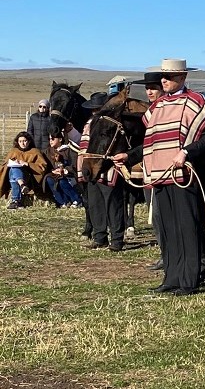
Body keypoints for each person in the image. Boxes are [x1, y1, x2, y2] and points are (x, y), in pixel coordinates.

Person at [113, 59, 205, 296]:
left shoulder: (197, 103)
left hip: (185, 176)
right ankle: (171, 278)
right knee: (168, 229)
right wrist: (129, 157)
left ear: (182, 78)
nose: (164, 81)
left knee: (188, 228)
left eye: (169, 77)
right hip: (159, 176)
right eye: (163, 77)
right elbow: (152, 143)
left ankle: (190, 280)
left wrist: (187, 152)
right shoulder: (156, 107)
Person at [79, 92, 126, 251]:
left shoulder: (109, 123)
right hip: (90, 166)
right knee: (95, 202)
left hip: (108, 166)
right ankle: (100, 236)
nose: (94, 112)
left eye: (97, 109)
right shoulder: (90, 124)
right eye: (93, 110)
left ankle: (117, 239)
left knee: (113, 203)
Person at [131, 72, 165, 271]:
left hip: (163, 169)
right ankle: (164, 252)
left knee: (162, 214)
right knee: (155, 215)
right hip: (149, 168)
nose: (150, 92)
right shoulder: (150, 112)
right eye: (147, 88)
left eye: (153, 88)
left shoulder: (163, 111)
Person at [0, 131, 49, 209]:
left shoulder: (35, 152)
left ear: (29, 141)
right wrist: (11, 163)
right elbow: (4, 166)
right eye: (20, 141)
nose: (22, 143)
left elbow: (42, 167)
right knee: (14, 168)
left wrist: (27, 164)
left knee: (14, 173)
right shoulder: (13, 151)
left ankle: (16, 200)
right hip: (11, 176)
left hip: (29, 177)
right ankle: (22, 186)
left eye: (24, 141)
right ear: (17, 142)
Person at [42, 132, 82, 208]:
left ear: (60, 139)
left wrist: (65, 170)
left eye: (53, 139)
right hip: (54, 174)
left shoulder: (68, 150)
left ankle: (77, 200)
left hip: (69, 175)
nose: (51, 141)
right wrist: (52, 171)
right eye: (49, 139)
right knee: (49, 179)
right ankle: (63, 201)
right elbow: (45, 164)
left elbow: (75, 164)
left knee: (62, 181)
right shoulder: (48, 151)